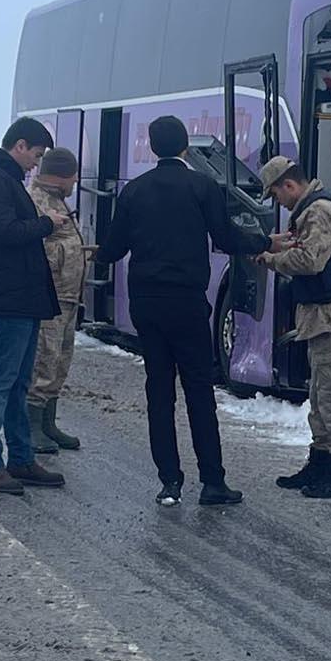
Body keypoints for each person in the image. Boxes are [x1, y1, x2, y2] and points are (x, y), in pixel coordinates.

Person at [97, 115, 268, 507]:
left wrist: (95, 252)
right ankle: (213, 482)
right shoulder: (201, 186)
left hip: (146, 304)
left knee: (159, 392)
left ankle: (169, 482)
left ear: (152, 147)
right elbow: (226, 237)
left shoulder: (134, 191)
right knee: (198, 391)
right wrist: (262, 241)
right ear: (185, 148)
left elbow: (114, 248)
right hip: (187, 302)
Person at [0, 119, 66, 495]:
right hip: (5, 296)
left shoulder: (3, 178)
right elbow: (4, 232)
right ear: (20, 145)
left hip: (20, 297)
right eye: (36, 155)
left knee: (17, 383)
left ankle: (20, 459)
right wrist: (46, 224)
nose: (36, 164)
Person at [258, 157, 331, 500]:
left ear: (289, 185)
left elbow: (310, 260)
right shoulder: (311, 210)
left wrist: (270, 259)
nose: (278, 202)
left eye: (276, 194)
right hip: (322, 316)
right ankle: (320, 461)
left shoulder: (318, 211)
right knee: (321, 395)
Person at [28, 147, 89, 454]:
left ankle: (48, 422)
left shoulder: (58, 200)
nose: (76, 181)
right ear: (61, 175)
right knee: (44, 359)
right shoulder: (37, 201)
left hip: (68, 296)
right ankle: (32, 426)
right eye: (73, 176)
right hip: (50, 297)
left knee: (60, 361)